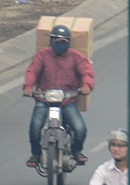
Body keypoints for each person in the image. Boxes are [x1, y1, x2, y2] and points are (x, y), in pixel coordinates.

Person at [23, 23, 92, 171]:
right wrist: (28, 87)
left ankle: (76, 151)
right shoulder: (42, 55)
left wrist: (86, 86)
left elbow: (87, 72)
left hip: (66, 100)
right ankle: (35, 154)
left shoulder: (76, 57)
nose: (60, 44)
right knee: (35, 127)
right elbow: (32, 72)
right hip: (44, 99)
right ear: (51, 41)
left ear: (69, 42)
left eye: (63, 42)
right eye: (57, 41)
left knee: (80, 129)